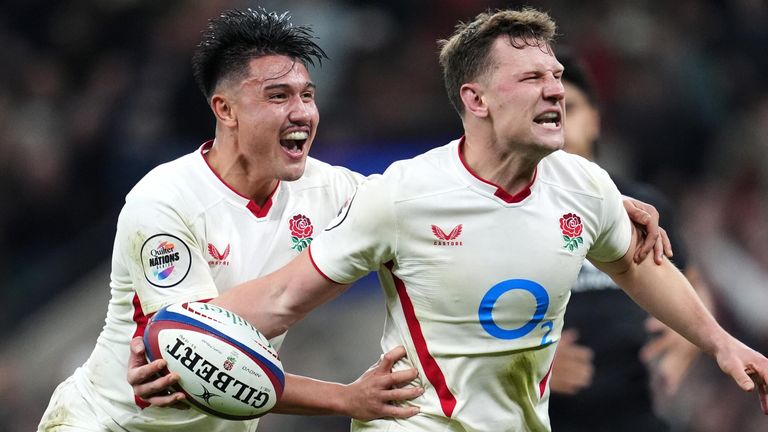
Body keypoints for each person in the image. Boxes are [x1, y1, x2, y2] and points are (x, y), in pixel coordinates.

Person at [131, 7, 767, 432]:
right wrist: (174, 335)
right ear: (476, 99)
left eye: (557, 75)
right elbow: (284, 295)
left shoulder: (585, 186)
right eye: (531, 78)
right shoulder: (407, 196)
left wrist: (720, 342)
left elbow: (638, 267)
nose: (553, 90)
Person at [36, 8, 425, 432]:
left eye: (307, 96)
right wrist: (345, 398)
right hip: (107, 423)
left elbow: (423, 207)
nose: (302, 113)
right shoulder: (165, 198)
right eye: (278, 97)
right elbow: (198, 355)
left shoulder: (332, 191)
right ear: (225, 109)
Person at [547, 52, 710, 431]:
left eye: (570, 107)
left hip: (636, 410)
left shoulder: (642, 207)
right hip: (541, 417)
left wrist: (691, 334)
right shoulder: (506, 214)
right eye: (549, 113)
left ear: (596, 120)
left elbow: (690, 278)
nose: (561, 122)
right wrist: (522, 366)